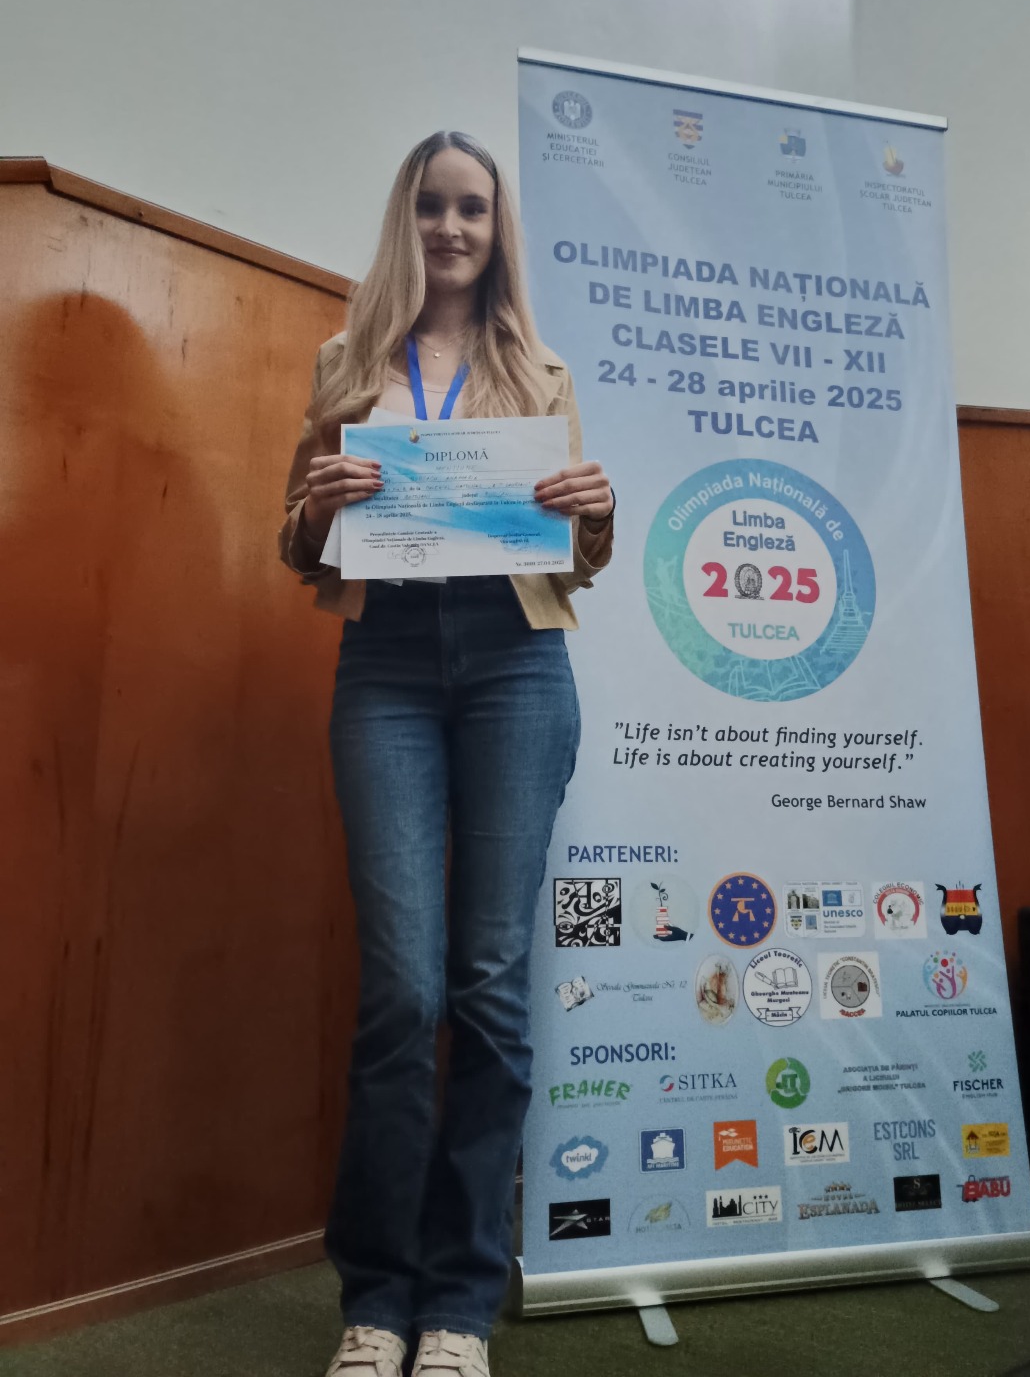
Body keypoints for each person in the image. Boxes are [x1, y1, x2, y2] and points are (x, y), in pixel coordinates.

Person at [279, 131, 614, 1377]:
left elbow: (575, 557)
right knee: (404, 992)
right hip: (388, 670)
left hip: (517, 668)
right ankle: (377, 1299)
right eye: (431, 206)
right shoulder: (345, 360)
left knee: (489, 987)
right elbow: (295, 543)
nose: (452, 228)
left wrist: (597, 515)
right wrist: (318, 508)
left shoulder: (540, 367)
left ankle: (461, 1307)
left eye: (472, 208)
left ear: (496, 227)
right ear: (404, 219)